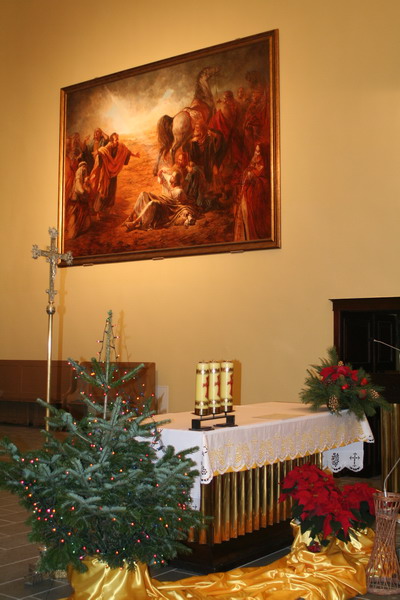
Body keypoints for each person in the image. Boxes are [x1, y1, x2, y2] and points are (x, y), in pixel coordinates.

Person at [123, 170, 196, 230]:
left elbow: (182, 204)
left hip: (165, 209)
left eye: (173, 176)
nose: (171, 176)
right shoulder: (170, 185)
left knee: (153, 203)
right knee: (143, 194)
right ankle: (131, 217)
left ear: (176, 180)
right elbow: (164, 177)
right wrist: (160, 174)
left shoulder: (179, 191)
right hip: (161, 201)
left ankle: (134, 223)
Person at [89, 132, 140, 219]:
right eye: (116, 140)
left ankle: (110, 209)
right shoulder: (108, 146)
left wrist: (134, 155)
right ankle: (98, 212)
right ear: (112, 141)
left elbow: (126, 151)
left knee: (112, 191)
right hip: (106, 173)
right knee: (103, 190)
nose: (117, 141)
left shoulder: (120, 146)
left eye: (117, 139)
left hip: (113, 173)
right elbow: (102, 150)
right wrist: (98, 152)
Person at [234, 144, 270, 241]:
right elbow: (246, 175)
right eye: (256, 151)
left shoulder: (265, 166)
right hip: (247, 194)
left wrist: (252, 176)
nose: (256, 154)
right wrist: (248, 175)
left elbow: (263, 182)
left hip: (256, 197)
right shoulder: (253, 162)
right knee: (244, 213)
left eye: (259, 151)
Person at [66, 161, 92, 239]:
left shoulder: (83, 173)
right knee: (75, 214)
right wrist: (83, 192)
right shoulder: (79, 172)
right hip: (76, 198)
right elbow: (78, 185)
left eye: (85, 167)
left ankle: (81, 229)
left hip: (81, 199)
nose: (84, 168)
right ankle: (72, 232)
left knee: (83, 214)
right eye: (83, 167)